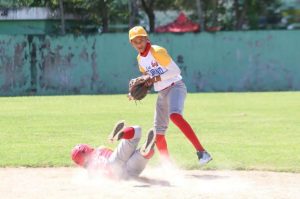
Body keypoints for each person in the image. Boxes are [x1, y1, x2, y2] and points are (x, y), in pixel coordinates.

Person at [128, 26, 212, 165]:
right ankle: (168, 166)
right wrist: (137, 89)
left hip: (175, 86)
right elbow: (148, 77)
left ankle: (202, 152)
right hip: (162, 93)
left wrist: (153, 79)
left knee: (174, 115)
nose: (139, 44)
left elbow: (175, 71)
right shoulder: (140, 60)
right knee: (158, 135)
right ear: (132, 44)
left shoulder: (157, 51)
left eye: (141, 40)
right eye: (135, 41)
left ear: (146, 38)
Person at [71, 120, 156, 179]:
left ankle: (144, 151)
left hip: (118, 172)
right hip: (115, 159)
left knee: (130, 173)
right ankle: (125, 137)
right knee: (137, 131)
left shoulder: (91, 171)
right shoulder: (101, 148)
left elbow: (101, 178)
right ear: (88, 148)